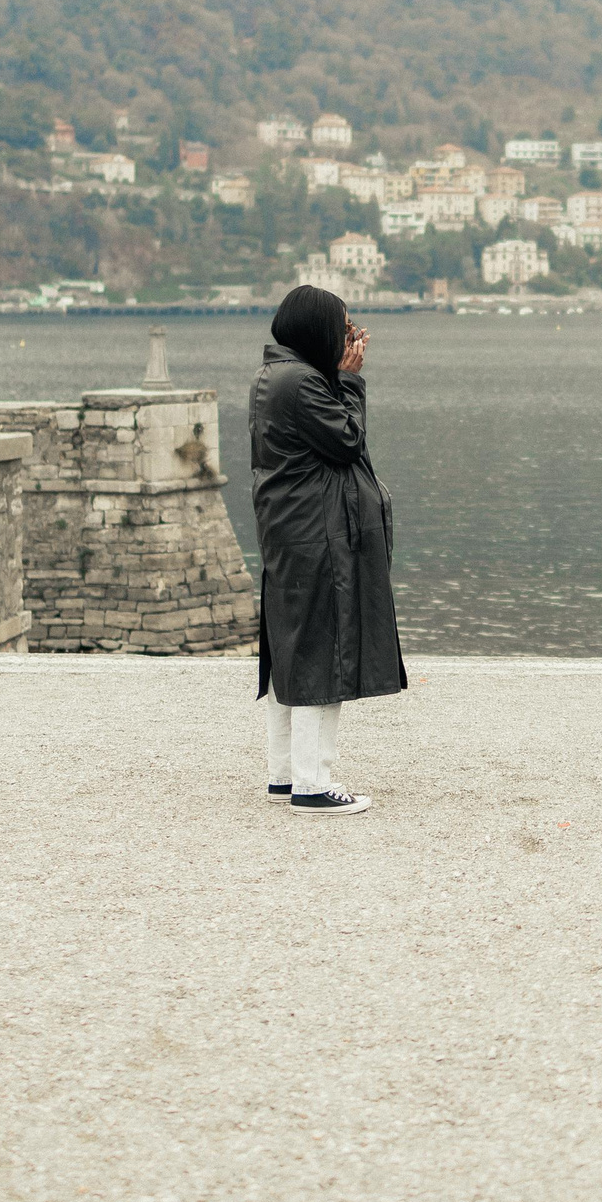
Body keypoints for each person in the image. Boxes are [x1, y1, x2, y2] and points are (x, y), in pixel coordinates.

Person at [248, 285, 405, 815]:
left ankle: (284, 773)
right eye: (343, 328)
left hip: (294, 533)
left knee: (292, 650)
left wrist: (337, 376)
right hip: (317, 537)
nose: (351, 338)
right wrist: (352, 381)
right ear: (317, 330)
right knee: (322, 651)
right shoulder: (303, 382)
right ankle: (312, 785)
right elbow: (347, 441)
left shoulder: (278, 374)